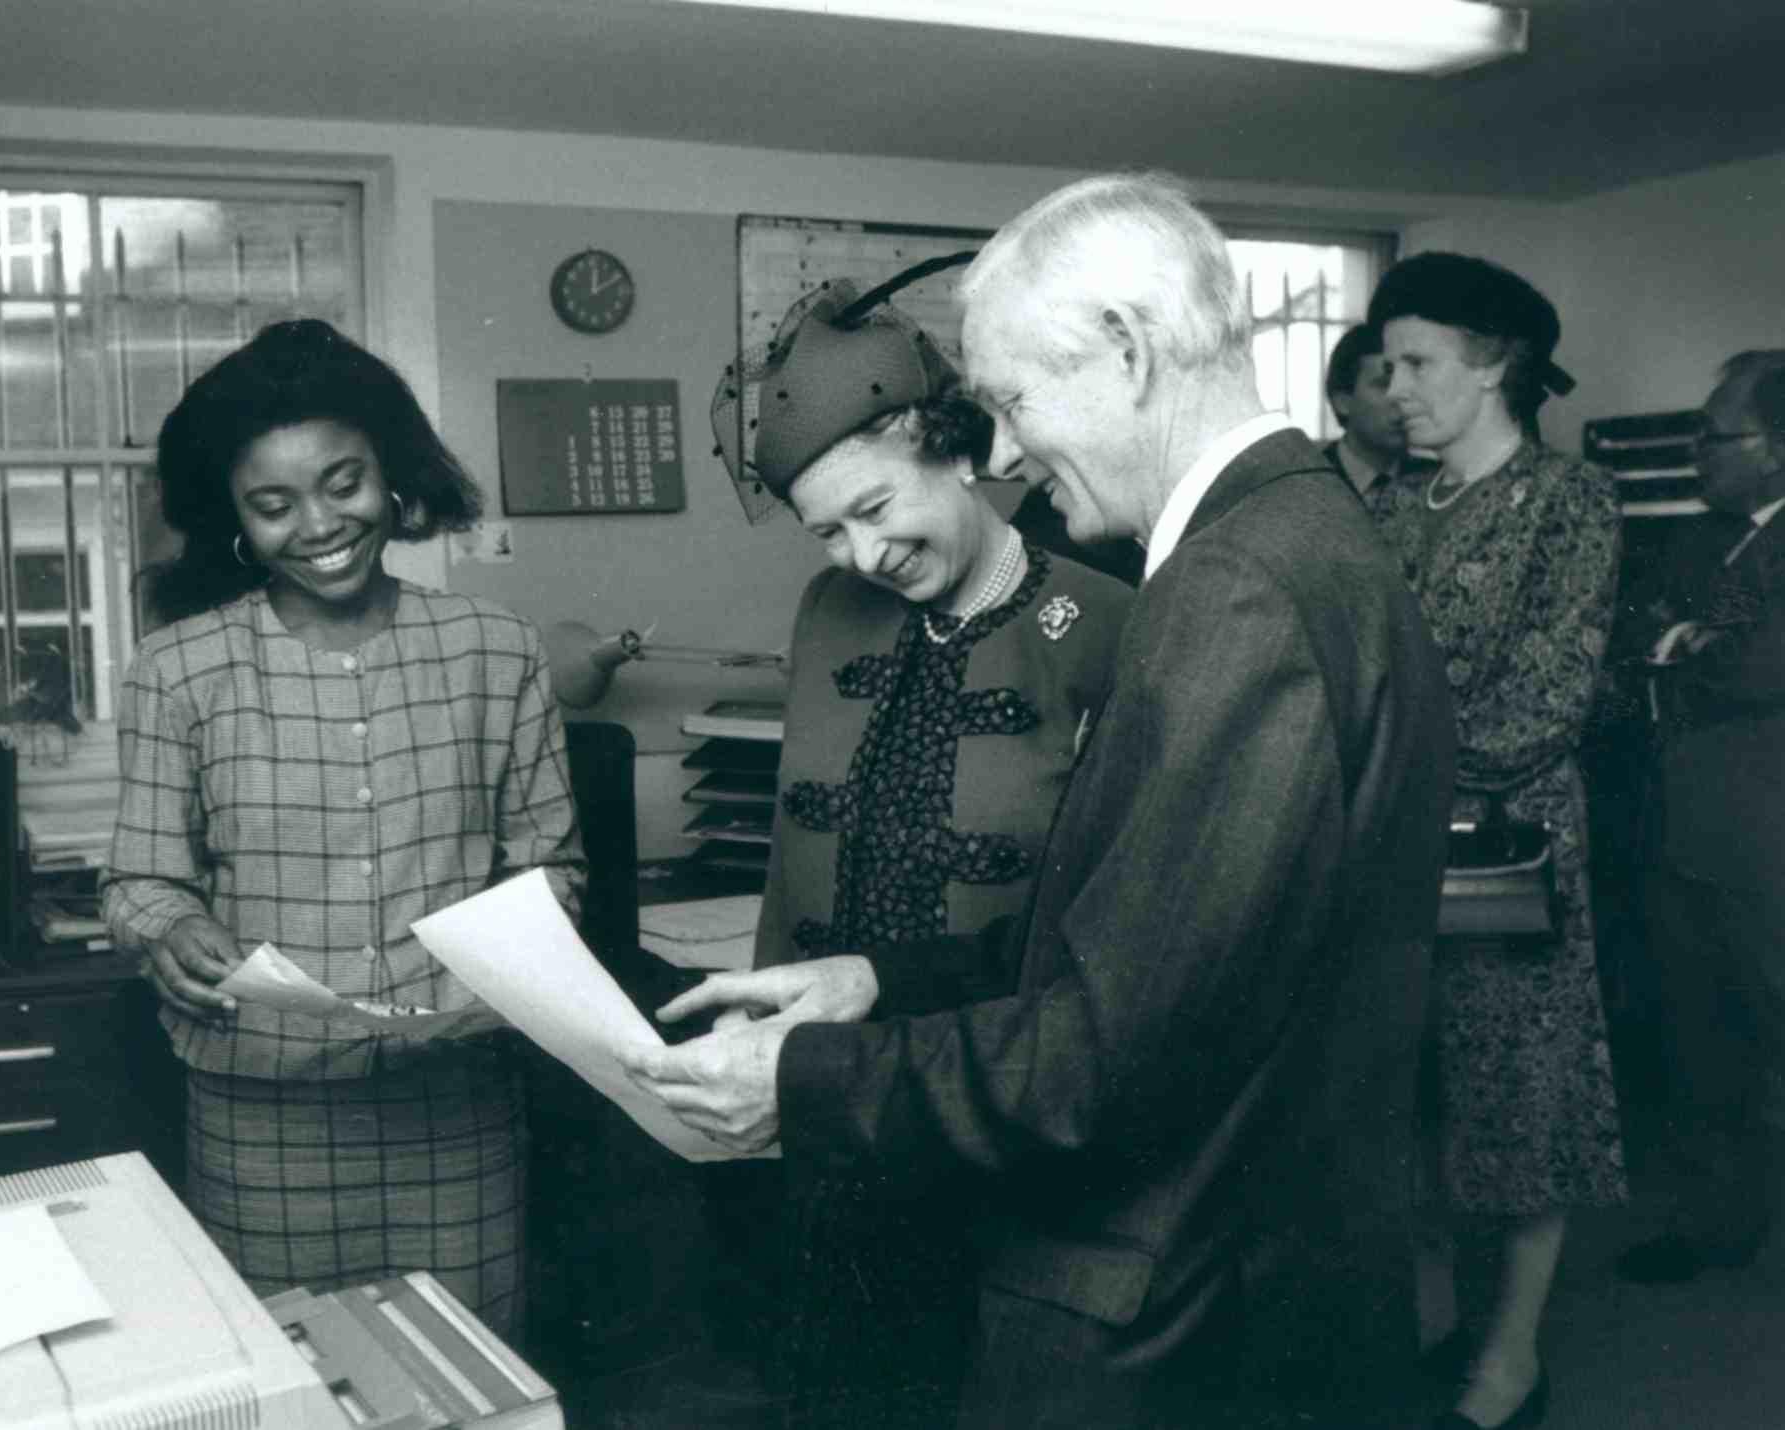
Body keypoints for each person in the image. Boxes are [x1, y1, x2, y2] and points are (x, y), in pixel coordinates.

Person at [626, 172, 1456, 1429]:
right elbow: (1166, 950)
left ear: (1124, 350)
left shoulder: (1233, 592)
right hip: (1260, 1256)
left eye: (1012, 400)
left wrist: (801, 1078)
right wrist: (883, 981)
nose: (1002, 448)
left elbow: (1103, 1058)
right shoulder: (1307, 539)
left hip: (1180, 1299)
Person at [706, 272, 1135, 1427]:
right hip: (832, 1099)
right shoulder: (825, 612)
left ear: (945, 444)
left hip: (994, 1094)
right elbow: (795, 861)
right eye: (826, 530)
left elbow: (1113, 933)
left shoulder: (1103, 627)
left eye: (875, 506)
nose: (859, 553)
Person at [101, 319, 584, 1337]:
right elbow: (142, 877)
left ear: (394, 476)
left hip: (458, 1097)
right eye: (272, 504)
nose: (318, 524)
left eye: (343, 481)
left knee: (475, 1375)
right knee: (295, 1375)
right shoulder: (178, 669)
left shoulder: (495, 647)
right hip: (263, 1104)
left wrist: (524, 928)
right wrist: (167, 926)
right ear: (232, 517)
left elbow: (553, 864)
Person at [1368, 252, 1628, 1430]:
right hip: (1384, 842)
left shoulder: (1568, 501)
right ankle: (1446, 1323)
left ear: (1496, 364)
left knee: (1518, 1103)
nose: (1392, 387)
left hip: (1504, 845)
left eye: (1416, 362)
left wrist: (1380, 767)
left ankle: (1508, 1357)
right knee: (1414, 1095)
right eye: (1386, 364)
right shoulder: (1382, 507)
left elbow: (1544, 703)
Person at [1616, 350, 1785, 1286]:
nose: (1697, 453)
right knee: (1700, 1043)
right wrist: (1689, 644)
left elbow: (1761, 668)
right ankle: (1717, 1223)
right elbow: (1639, 628)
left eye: (1717, 436)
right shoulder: (1697, 539)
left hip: (1765, 844)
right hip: (1684, 834)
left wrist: (1686, 648)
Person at [1325, 321, 1413, 513]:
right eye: (1384, 384)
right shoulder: (1307, 482)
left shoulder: (1436, 480)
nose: (1401, 396)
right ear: (1343, 402)